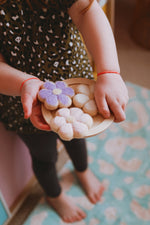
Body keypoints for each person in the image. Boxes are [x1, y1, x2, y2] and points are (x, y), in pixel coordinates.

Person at [0, 0, 129, 223]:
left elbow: (87, 10)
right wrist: (25, 84)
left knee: (77, 135)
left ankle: (82, 170)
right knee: (44, 155)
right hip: (22, 98)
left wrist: (109, 72)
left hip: (72, 81)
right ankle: (54, 195)